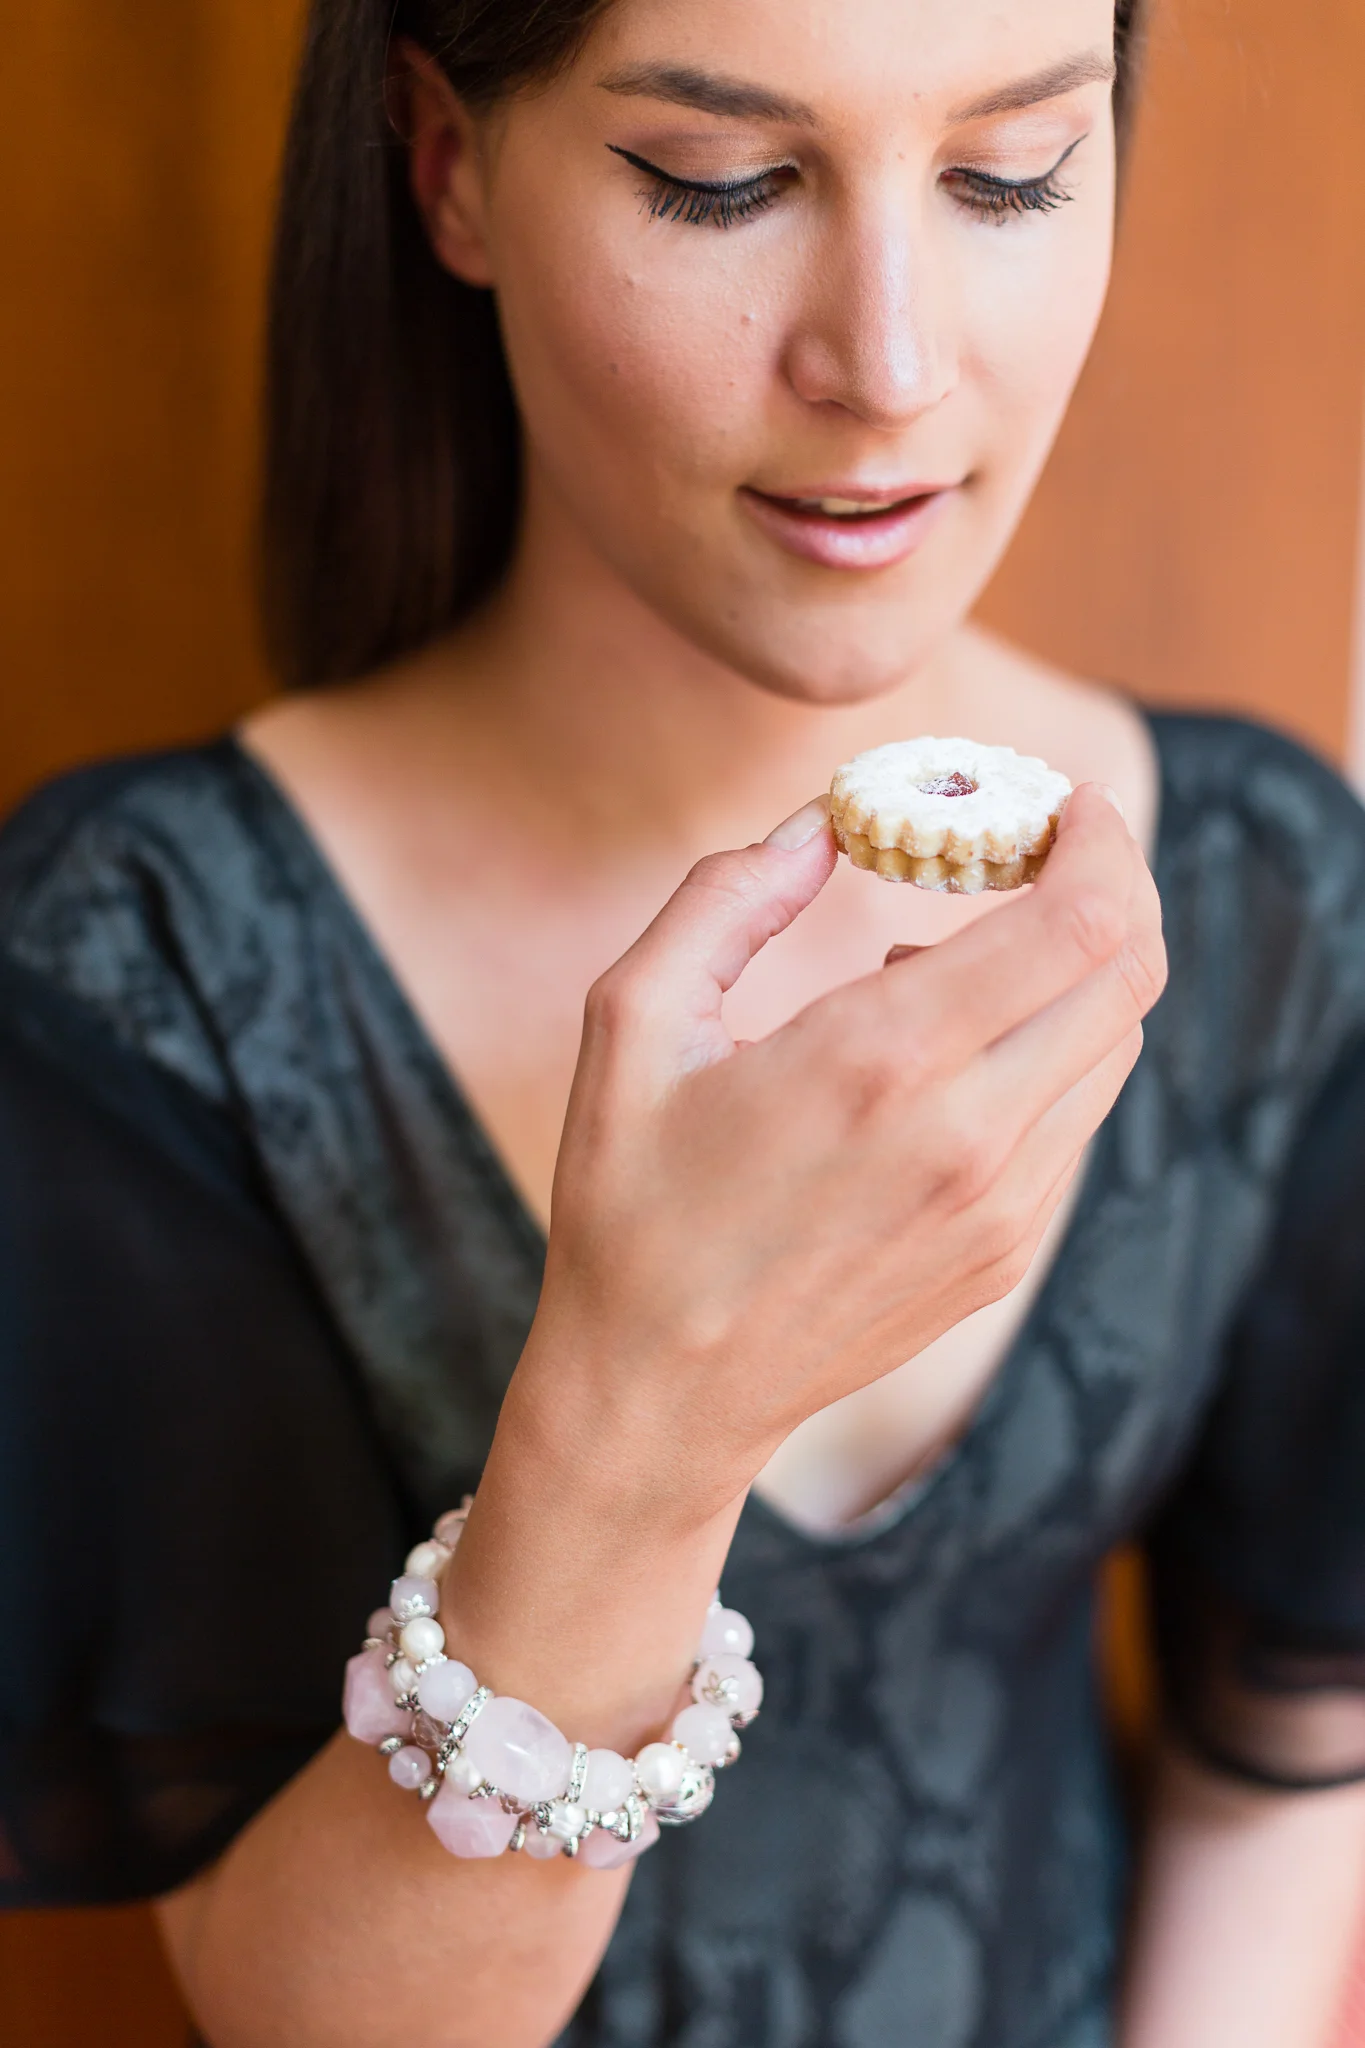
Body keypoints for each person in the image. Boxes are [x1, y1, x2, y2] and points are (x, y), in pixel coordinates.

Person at [2, 0, 1364, 2041]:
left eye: (1008, 174)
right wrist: (648, 1408)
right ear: (450, 170)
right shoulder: (151, 952)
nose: (888, 364)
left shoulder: (1265, 884)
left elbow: (1280, 1764)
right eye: (721, 183)